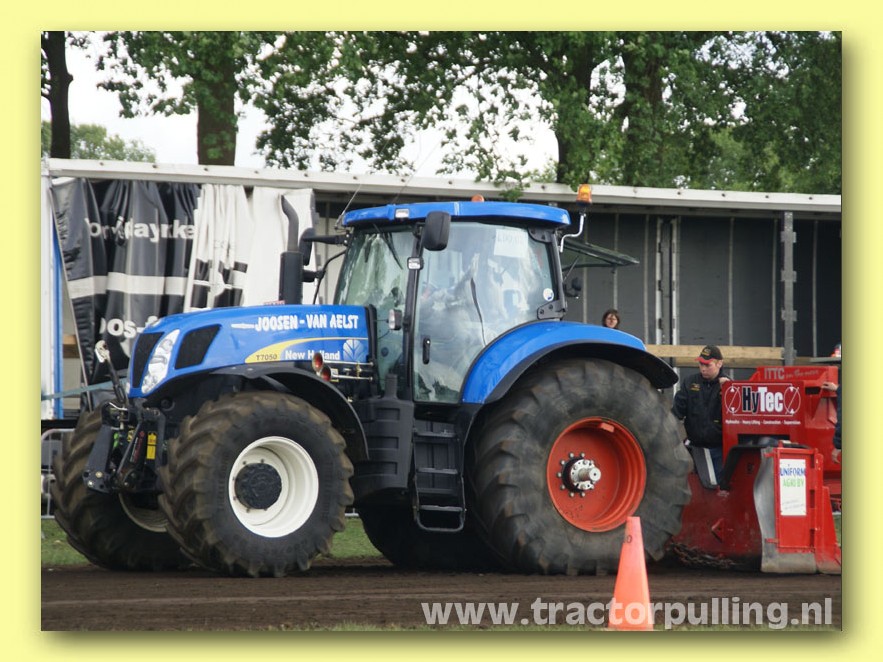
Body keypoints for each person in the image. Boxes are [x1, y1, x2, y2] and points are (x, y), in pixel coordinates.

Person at [671, 345, 731, 479]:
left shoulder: (729, 386)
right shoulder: (690, 382)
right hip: (695, 449)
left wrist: (727, 393)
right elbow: (676, 413)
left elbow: (735, 417)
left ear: (719, 364)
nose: (703, 368)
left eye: (707, 365)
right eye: (701, 364)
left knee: (719, 486)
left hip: (719, 450)